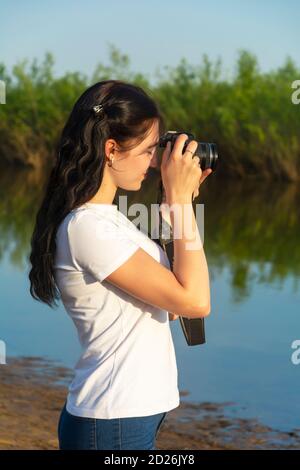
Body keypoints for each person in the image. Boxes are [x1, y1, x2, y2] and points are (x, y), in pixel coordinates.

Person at [28, 79, 212, 450]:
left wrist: (177, 208)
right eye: (148, 151)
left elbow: (173, 305)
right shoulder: (87, 228)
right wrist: (180, 203)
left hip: (127, 415)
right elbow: (195, 301)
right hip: (112, 420)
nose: (154, 162)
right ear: (111, 150)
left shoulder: (110, 221)